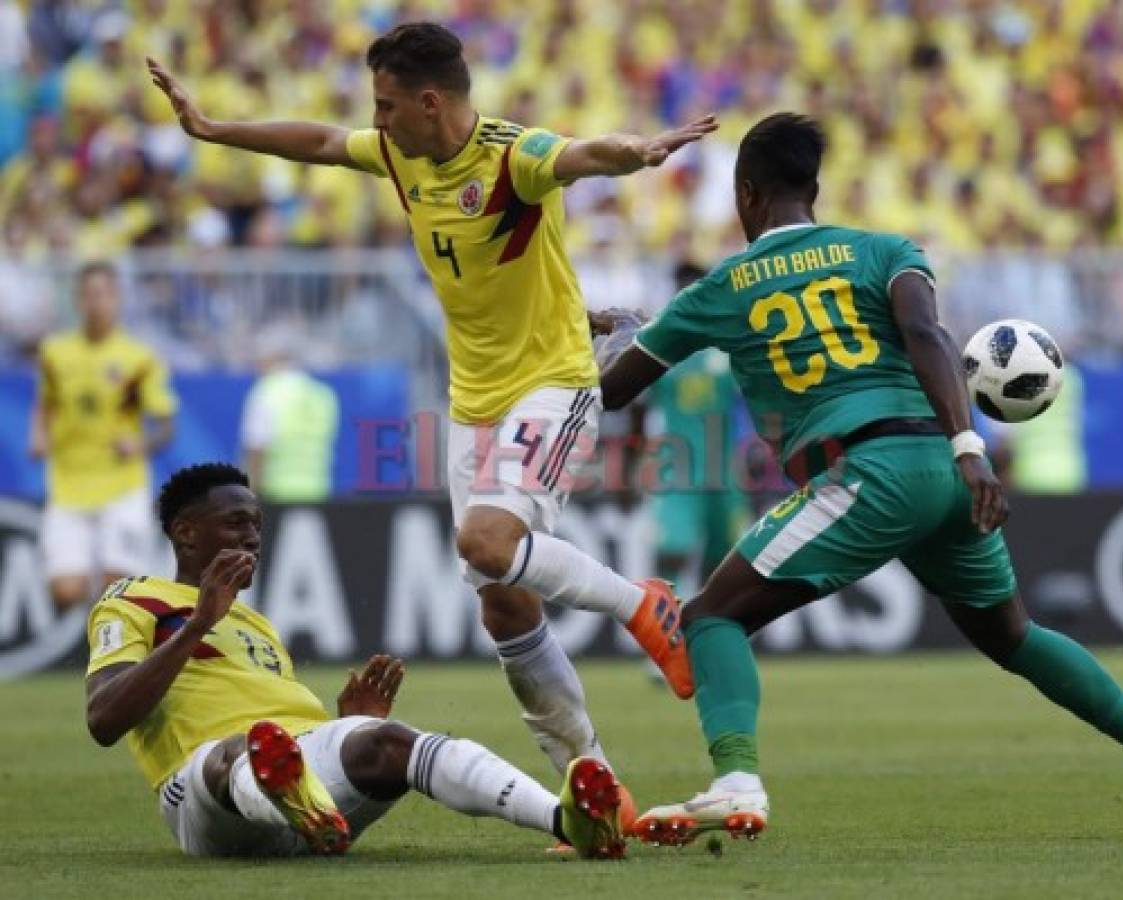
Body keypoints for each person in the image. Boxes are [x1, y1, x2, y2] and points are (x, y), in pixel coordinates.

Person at [147, 22, 713, 829]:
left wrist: (636, 151)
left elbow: (585, 154)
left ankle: (642, 605)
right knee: (503, 606)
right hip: (472, 399)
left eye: (384, 106)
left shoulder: (513, 156)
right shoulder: (399, 153)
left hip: (552, 382)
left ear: (429, 101)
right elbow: (314, 141)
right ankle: (598, 793)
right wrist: (212, 128)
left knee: (485, 543)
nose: (373, 123)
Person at [599, 113, 1123, 844]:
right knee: (1012, 634)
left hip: (863, 472)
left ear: (745, 194)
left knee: (709, 617)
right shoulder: (886, 249)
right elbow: (925, 334)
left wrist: (619, 332)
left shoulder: (721, 286)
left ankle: (735, 783)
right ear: (813, 190)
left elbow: (612, 391)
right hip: (944, 468)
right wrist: (967, 448)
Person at [83, 462, 625, 859]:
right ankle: (292, 800)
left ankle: (570, 822)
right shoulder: (133, 600)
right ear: (184, 532)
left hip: (300, 782)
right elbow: (104, 720)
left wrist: (343, 727)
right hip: (202, 797)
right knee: (242, 749)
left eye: (257, 525)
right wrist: (198, 624)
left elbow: (287, 746)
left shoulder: (257, 624)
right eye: (235, 523)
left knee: (388, 740)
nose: (251, 536)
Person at [30, 260, 176, 609]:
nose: (97, 302)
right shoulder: (55, 353)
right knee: (65, 589)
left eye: (104, 294)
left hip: (121, 483)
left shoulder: (139, 358)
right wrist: (38, 434)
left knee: (118, 586)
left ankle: (114, 650)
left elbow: (167, 424)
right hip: (69, 480)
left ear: (117, 298)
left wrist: (141, 442)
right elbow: (46, 402)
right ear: (78, 300)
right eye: (89, 294)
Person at [646, 262, 751, 594]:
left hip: (725, 468)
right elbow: (637, 407)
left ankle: (707, 625)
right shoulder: (657, 345)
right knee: (674, 549)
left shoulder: (728, 347)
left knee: (725, 558)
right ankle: (661, 622)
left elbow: (754, 402)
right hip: (676, 468)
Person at [240, 339, 340, 503]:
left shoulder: (266, 392)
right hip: (318, 491)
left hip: (276, 494)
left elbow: (256, 451)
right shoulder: (323, 394)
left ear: (272, 357)